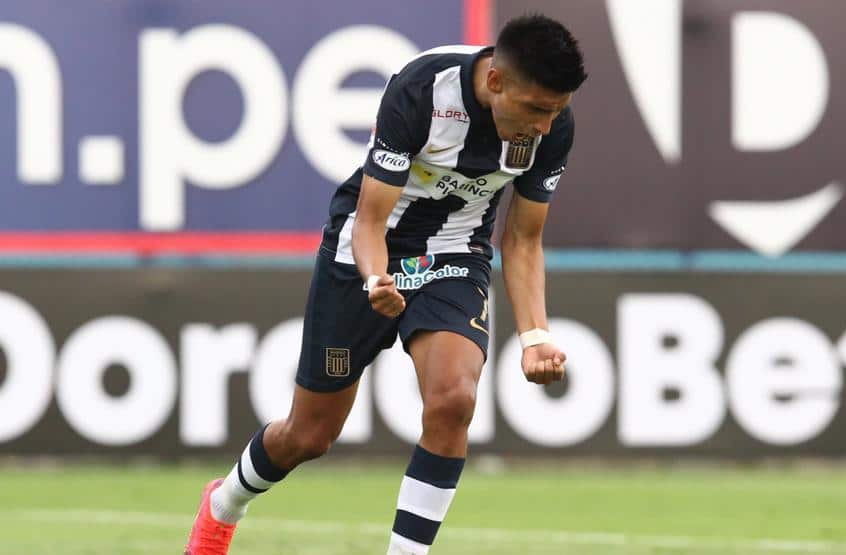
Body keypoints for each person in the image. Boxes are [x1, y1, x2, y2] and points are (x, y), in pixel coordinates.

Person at [184, 13, 587, 555]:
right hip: (365, 257)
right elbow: (370, 221)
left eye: (556, 111)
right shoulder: (422, 88)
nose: (545, 126)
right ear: (496, 81)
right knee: (309, 435)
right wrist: (376, 278)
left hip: (453, 256)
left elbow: (522, 240)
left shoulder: (553, 128)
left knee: (454, 399)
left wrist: (535, 336)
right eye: (536, 109)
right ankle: (223, 505)